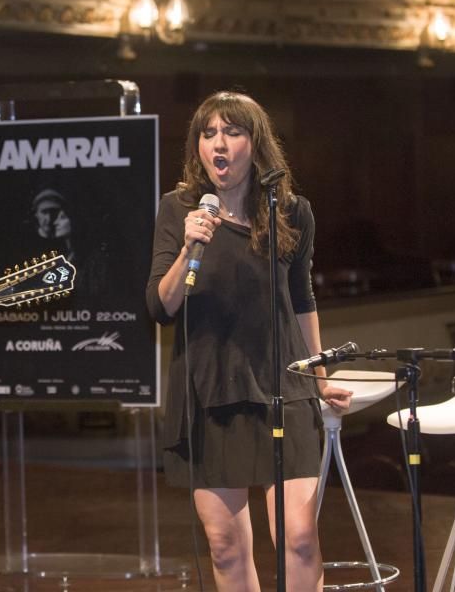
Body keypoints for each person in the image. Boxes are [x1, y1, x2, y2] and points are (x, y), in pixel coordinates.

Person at [145, 91, 352, 591]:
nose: (218, 143)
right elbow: (159, 306)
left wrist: (319, 379)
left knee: (299, 535)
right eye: (208, 133)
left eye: (231, 132)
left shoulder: (293, 212)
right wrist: (190, 246)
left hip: (284, 384)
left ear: (255, 144)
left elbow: (302, 300)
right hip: (211, 388)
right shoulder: (178, 211)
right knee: (225, 544)